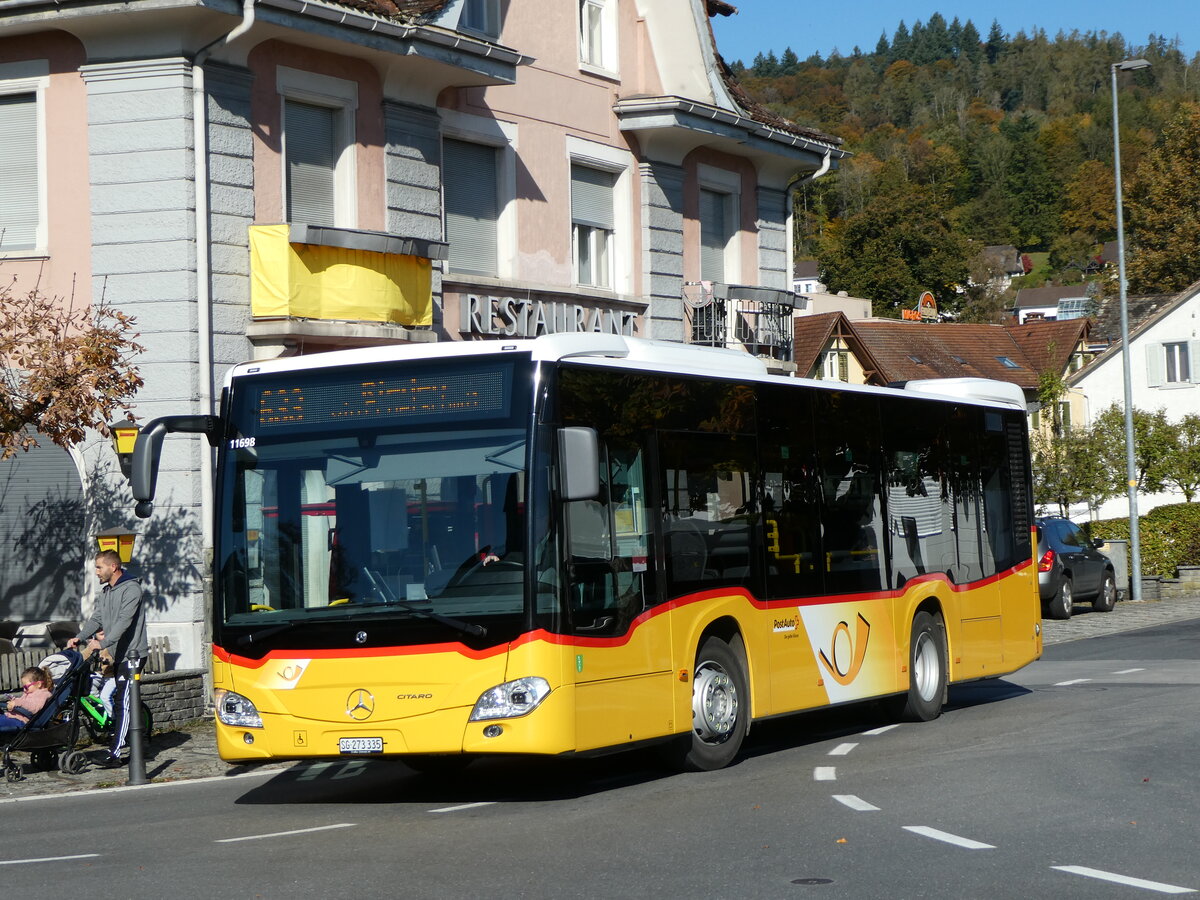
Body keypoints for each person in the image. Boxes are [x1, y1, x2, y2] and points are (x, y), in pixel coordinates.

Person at [68, 550, 148, 768]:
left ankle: (115, 753)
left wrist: (102, 643)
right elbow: (98, 618)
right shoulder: (107, 592)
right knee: (124, 702)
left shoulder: (131, 589)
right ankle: (131, 743)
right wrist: (80, 637)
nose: (96, 572)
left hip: (133, 655)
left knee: (124, 702)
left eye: (99, 567)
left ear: (113, 567)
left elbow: (124, 622)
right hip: (119, 655)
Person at [0, 666, 53, 731]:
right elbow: (22, 702)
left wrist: (17, 703)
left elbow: (34, 707)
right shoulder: (28, 692)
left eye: (26, 686)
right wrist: (13, 701)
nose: (24, 689)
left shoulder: (43, 694)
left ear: (38, 684)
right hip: (11, 716)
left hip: (21, 721)